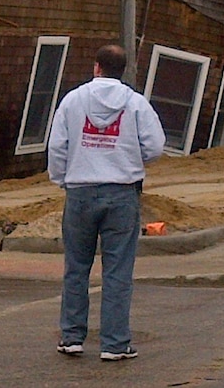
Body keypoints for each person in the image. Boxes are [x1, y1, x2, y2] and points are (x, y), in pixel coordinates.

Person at [47, 43, 165, 362]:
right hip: (122, 192)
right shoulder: (136, 104)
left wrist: (62, 178)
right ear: (121, 70)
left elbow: (58, 145)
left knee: (76, 266)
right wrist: (129, 157)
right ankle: (114, 343)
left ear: (96, 67)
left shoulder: (73, 100)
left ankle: (72, 337)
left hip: (81, 190)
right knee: (117, 270)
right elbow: (155, 146)